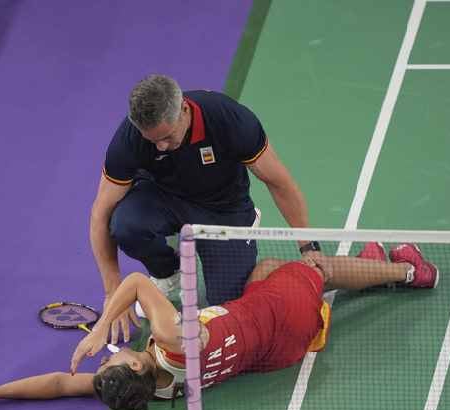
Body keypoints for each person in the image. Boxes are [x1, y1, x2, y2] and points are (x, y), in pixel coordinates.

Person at [0, 243, 438, 410]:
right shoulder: (173, 342)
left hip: (269, 354)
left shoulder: (155, 390)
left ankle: (364, 271)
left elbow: (60, 385)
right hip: (279, 318)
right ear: (139, 360)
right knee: (315, 268)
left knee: (265, 267)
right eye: (114, 356)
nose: (108, 354)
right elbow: (137, 281)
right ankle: (408, 271)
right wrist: (98, 330)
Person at [91, 74, 313, 344]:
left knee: (226, 307)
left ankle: (244, 229)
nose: (160, 146)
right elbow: (100, 214)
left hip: (224, 211)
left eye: (167, 137)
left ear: (184, 109)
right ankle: (166, 272)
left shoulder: (229, 119)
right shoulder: (130, 139)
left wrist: (308, 246)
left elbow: (279, 182)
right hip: (164, 198)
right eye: (153, 140)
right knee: (125, 225)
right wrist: (113, 291)